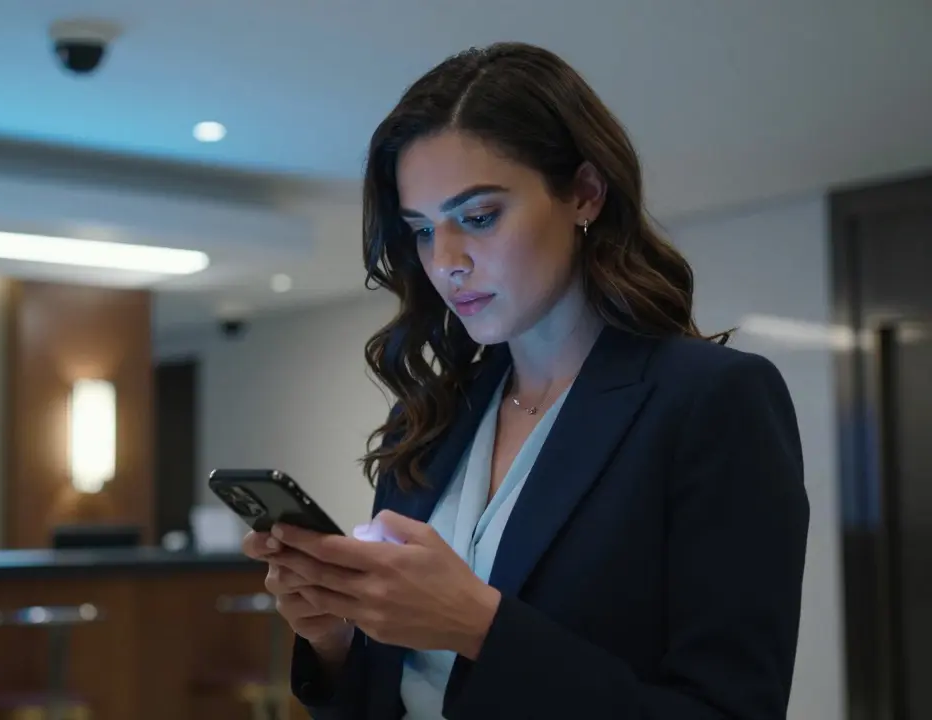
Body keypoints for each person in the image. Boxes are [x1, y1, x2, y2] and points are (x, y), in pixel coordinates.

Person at [241, 42, 809, 719]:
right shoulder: (428, 421)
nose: (446, 262)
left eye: (478, 217)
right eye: (422, 230)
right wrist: (334, 638)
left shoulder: (711, 402)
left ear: (585, 194)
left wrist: (479, 628)